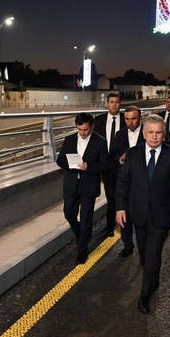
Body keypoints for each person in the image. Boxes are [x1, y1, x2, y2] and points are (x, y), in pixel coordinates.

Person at [115, 114, 170, 314]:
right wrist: (120, 208)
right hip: (137, 213)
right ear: (144, 133)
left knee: (153, 252)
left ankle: (144, 295)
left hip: (162, 214)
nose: (155, 137)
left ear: (164, 134)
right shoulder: (133, 153)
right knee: (144, 252)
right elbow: (123, 183)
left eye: (158, 133)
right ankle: (152, 277)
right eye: (151, 133)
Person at [56, 112, 109, 265]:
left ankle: (82, 252)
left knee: (86, 219)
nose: (83, 133)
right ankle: (81, 236)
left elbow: (105, 165)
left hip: (89, 186)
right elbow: (60, 160)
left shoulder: (100, 142)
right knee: (69, 214)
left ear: (91, 126)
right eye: (80, 130)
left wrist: (89, 167)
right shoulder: (69, 140)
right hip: (71, 184)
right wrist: (70, 164)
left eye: (86, 130)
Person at [110, 105, 144, 257]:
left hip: (143, 182)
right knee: (124, 214)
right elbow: (113, 155)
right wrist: (120, 158)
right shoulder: (119, 135)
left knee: (142, 216)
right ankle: (128, 245)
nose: (130, 122)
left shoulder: (147, 132)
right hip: (124, 181)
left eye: (134, 119)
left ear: (140, 118)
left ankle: (144, 246)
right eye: (127, 119)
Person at [92, 93, 126, 237]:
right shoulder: (98, 121)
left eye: (117, 102)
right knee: (111, 196)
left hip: (123, 165)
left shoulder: (126, 120)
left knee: (123, 195)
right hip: (106, 166)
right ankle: (110, 226)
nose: (114, 105)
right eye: (111, 102)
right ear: (107, 104)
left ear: (120, 104)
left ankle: (123, 225)